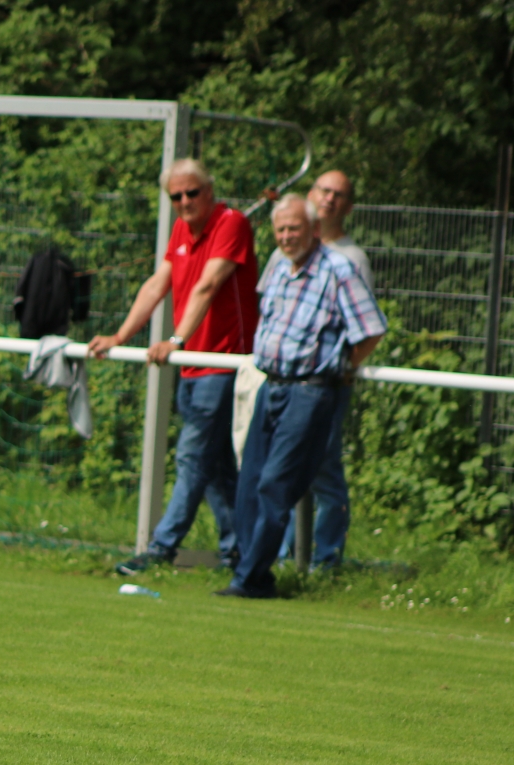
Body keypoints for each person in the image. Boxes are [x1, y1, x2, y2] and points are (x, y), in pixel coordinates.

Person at [91, 158, 257, 574]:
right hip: (191, 365)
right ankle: (242, 552)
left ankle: (161, 549)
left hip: (221, 363)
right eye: (176, 196)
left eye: (191, 193)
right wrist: (119, 336)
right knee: (215, 467)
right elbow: (156, 285)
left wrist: (175, 340)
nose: (184, 202)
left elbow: (208, 285)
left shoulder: (231, 223)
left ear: (209, 191)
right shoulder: (182, 229)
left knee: (192, 457)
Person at [218, 195, 385, 600]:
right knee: (249, 482)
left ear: (313, 229)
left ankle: (251, 577)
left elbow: (371, 329)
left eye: (294, 228)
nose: (287, 236)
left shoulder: (338, 269)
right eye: (280, 229)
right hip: (270, 384)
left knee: (275, 483)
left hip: (310, 390)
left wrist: (341, 367)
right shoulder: (279, 266)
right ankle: (253, 572)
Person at [273, 170, 373, 568]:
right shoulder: (286, 250)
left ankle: (325, 561)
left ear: (349, 206)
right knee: (281, 469)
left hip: (325, 385)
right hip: (284, 382)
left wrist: (344, 366)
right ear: (311, 194)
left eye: (339, 194)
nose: (330, 199)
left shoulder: (352, 260)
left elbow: (365, 327)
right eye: (324, 190)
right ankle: (281, 556)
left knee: (324, 470)